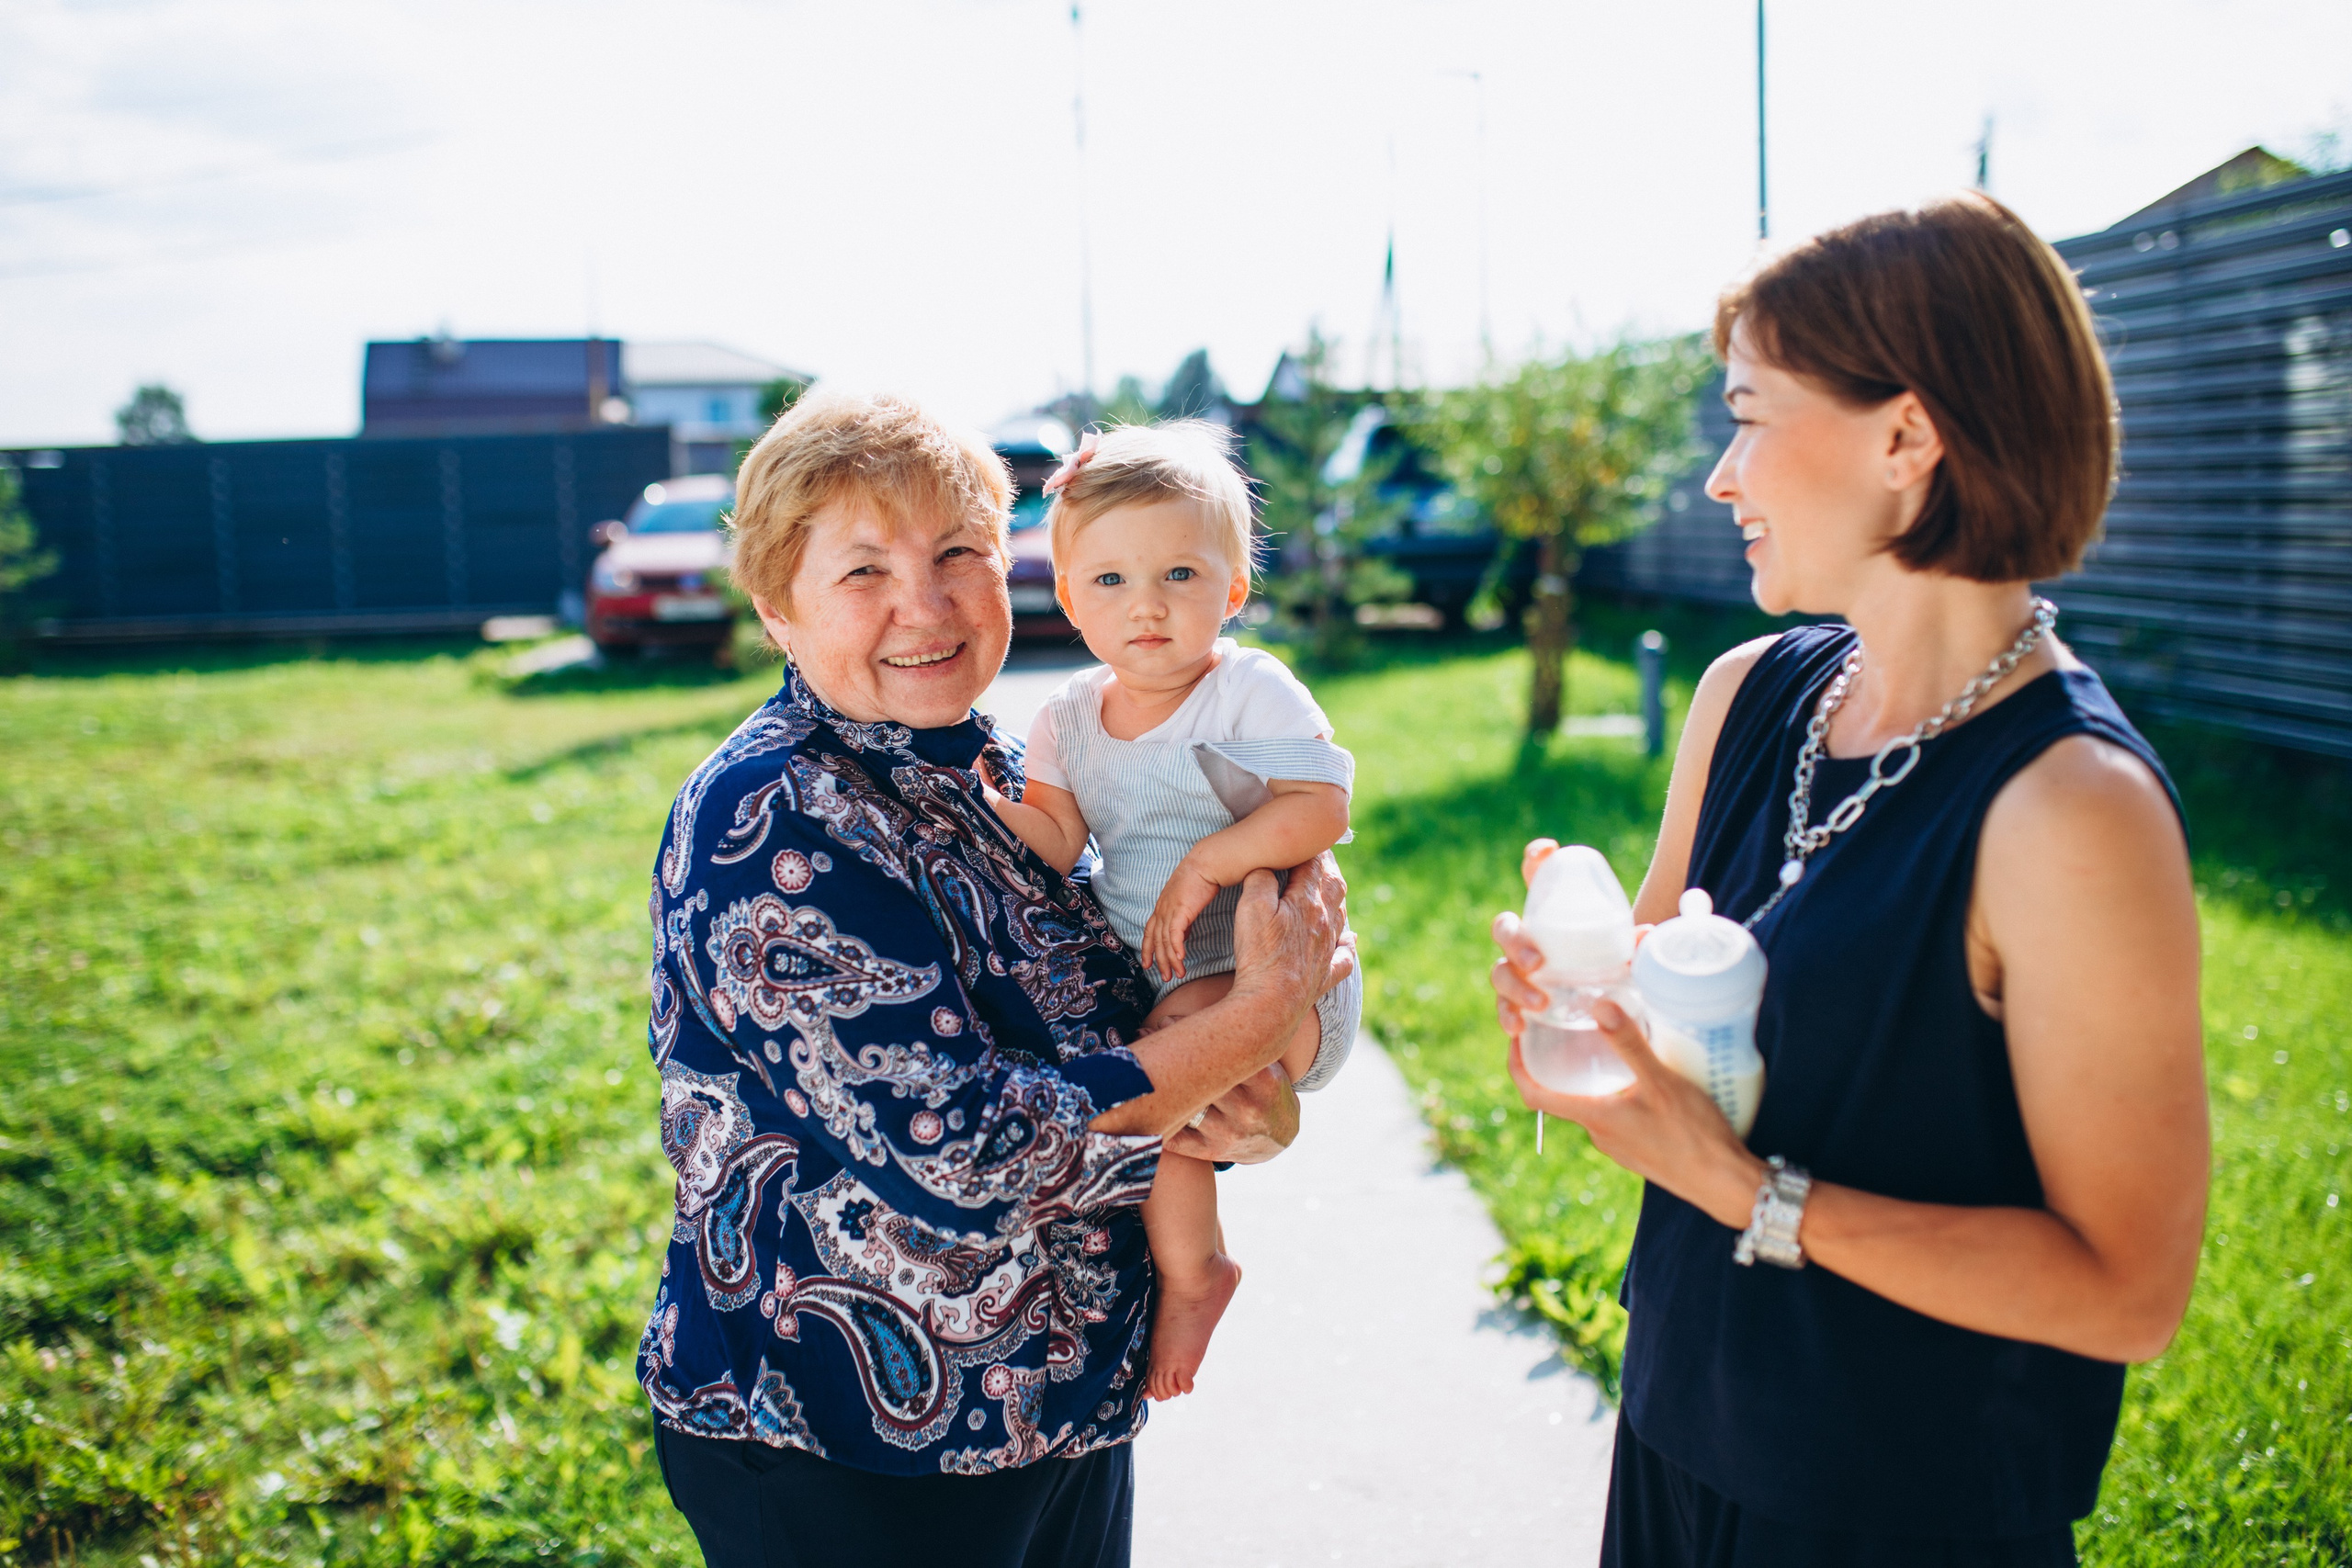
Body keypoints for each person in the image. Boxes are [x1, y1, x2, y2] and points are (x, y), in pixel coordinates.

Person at [1487, 193, 2208, 1566]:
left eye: (1749, 416)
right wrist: (1577, 993)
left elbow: (2129, 1293)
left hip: (1894, 1509)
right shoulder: (1745, 693)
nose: (1721, 478)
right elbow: (1659, 1059)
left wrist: (1751, 1192)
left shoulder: (2073, 809)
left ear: (1905, 437)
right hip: (1676, 1432)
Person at [639, 389, 1351, 1568]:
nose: (925, 606)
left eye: (957, 554)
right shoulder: (772, 818)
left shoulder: (1003, 767)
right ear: (775, 606)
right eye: (863, 571)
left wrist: (1242, 1111)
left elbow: (1125, 1039)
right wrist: (1263, 1010)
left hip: (1063, 1407)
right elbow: (964, 1159)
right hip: (855, 1455)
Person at [985, 421, 1361, 1401]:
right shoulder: (1067, 718)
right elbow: (1056, 837)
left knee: (1154, 1070)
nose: (1145, 605)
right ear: (1070, 599)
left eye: (1180, 575)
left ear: (1233, 589)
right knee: (1153, 1094)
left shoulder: (1246, 690)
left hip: (1266, 964)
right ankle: (1198, 1265)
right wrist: (978, 812)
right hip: (1162, 974)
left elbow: (1322, 807)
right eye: (1109, 580)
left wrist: (1211, 861)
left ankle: (1194, 1277)